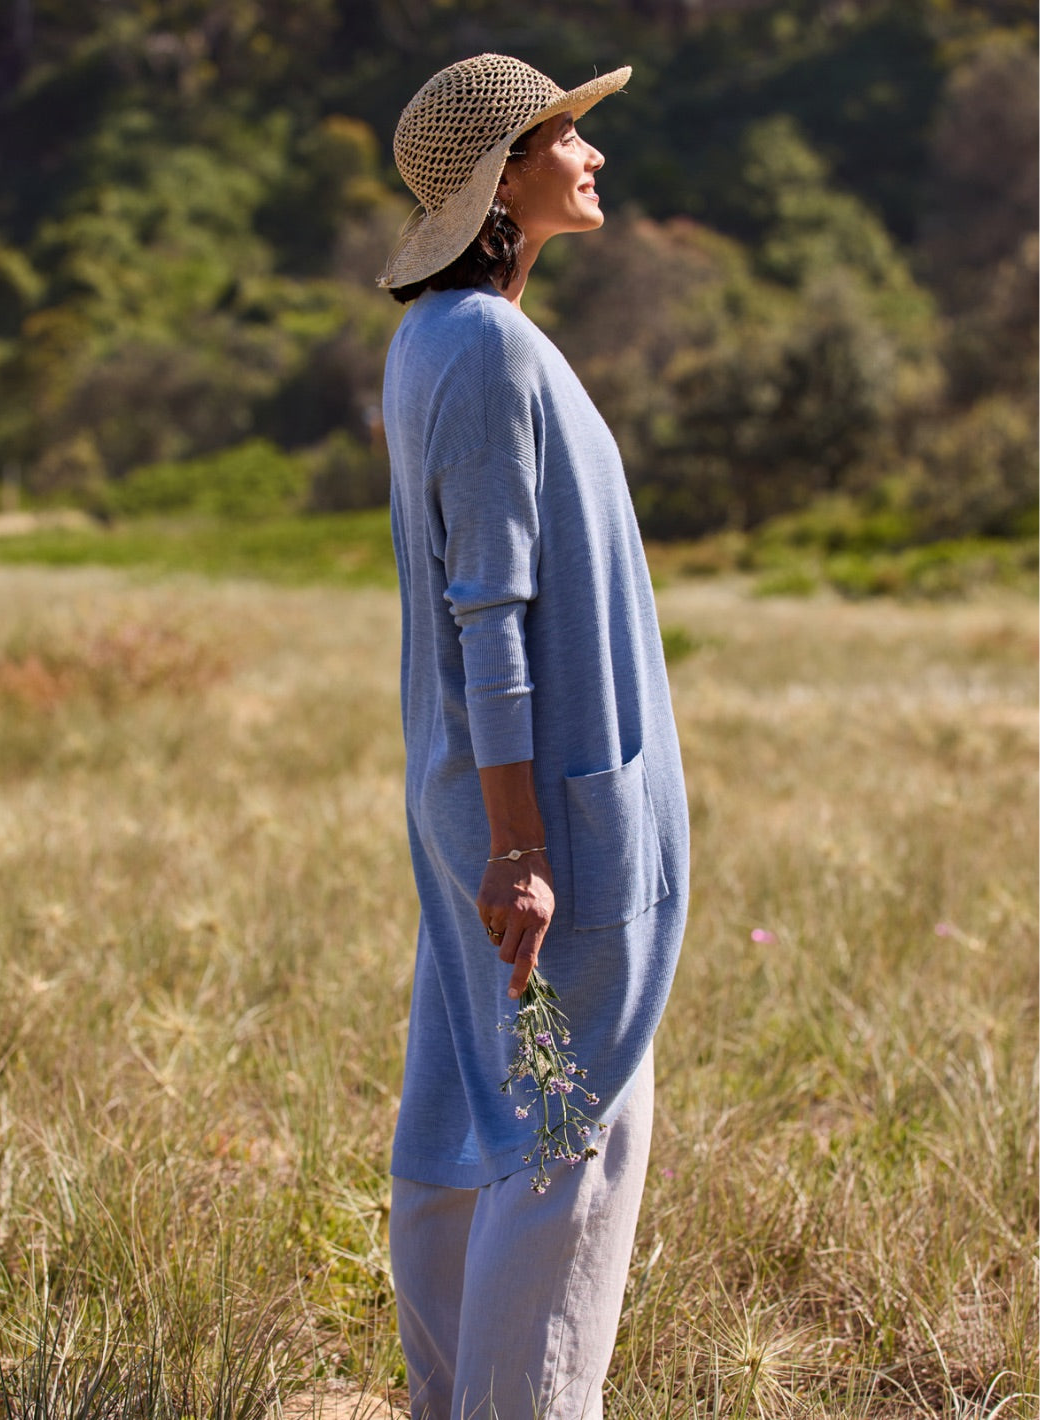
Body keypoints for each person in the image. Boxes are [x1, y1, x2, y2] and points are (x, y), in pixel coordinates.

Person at [377, 53, 689, 1420]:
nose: (593, 153)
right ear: (504, 176)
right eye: (567, 133)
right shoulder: (489, 350)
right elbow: (489, 613)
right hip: (541, 814)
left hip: (491, 795)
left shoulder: (432, 338)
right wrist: (521, 847)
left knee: (470, 1105)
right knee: (571, 1127)